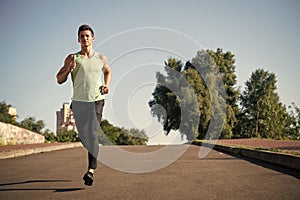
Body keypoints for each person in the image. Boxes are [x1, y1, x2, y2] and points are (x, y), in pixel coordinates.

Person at [56, 24, 112, 186]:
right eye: (82, 36)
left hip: (96, 100)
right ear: (78, 39)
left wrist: (106, 85)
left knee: (93, 132)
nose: (85, 38)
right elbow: (59, 79)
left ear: (92, 38)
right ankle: (94, 149)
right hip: (79, 102)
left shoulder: (100, 58)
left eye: (88, 36)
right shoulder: (72, 58)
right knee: (84, 136)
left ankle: (91, 171)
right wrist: (68, 69)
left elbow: (108, 71)